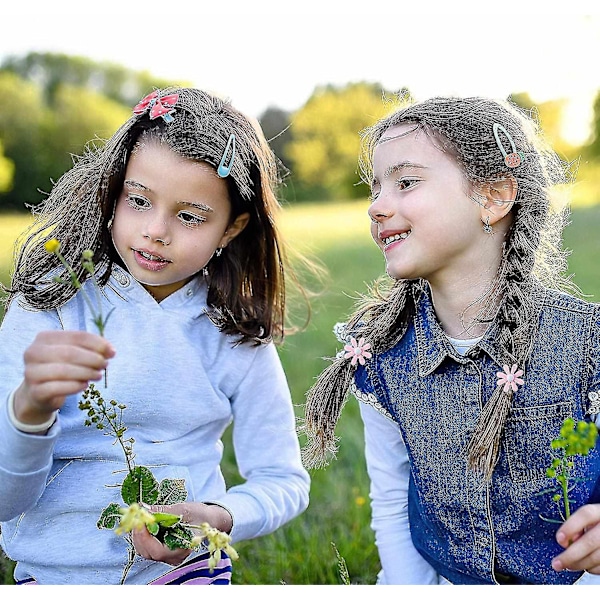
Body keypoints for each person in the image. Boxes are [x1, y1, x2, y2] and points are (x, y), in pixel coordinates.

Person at [0, 87, 310, 585]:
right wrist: (29, 410)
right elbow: (5, 500)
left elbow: (283, 480)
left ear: (231, 229)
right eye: (139, 201)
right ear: (113, 191)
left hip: (181, 573)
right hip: (52, 575)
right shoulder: (50, 307)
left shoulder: (234, 335)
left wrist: (217, 516)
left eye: (190, 216)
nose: (156, 231)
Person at [301, 95, 600, 585]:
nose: (377, 206)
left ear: (493, 197)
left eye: (406, 182)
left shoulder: (586, 342)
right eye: (376, 189)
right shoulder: (383, 354)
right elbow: (394, 502)